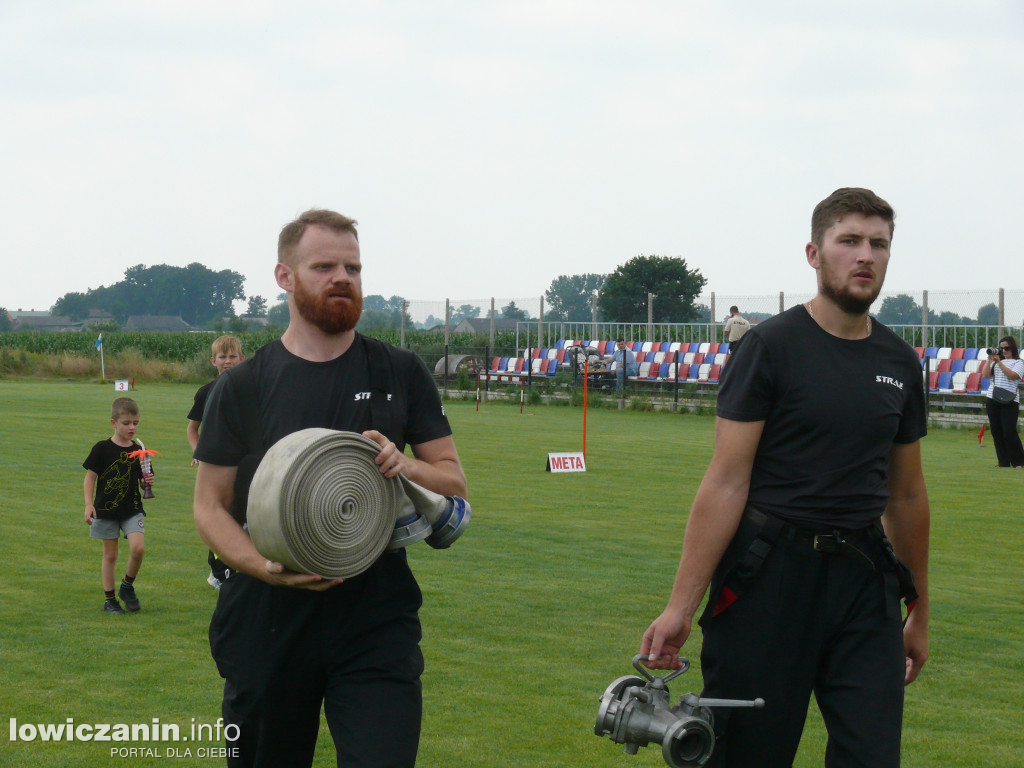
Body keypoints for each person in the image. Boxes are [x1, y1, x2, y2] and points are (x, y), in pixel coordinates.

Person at [640, 188, 930, 768]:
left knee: (873, 756)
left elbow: (906, 495)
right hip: (769, 581)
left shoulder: (900, 362)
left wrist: (919, 610)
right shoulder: (769, 348)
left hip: (864, 584)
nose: (865, 255)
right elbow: (725, 482)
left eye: (878, 244)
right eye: (848, 241)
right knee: (747, 755)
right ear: (814, 253)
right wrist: (679, 606)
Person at [193, 208, 467, 768]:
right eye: (324, 266)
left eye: (353, 267)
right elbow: (210, 507)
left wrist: (403, 465)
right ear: (285, 277)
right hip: (267, 623)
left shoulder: (399, 370)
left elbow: (453, 480)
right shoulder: (243, 385)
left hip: (375, 620)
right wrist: (261, 564)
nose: (343, 277)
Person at [83, 397, 155, 613]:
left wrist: (147, 482)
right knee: (111, 555)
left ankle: (126, 587)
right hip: (105, 509)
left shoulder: (140, 450)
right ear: (113, 423)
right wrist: (88, 505)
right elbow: (90, 478)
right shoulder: (102, 448)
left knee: (138, 548)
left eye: (136, 423)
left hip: (131, 508)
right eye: (126, 423)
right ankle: (110, 601)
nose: (132, 427)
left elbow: (144, 480)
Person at [187, 334, 244, 589]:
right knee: (219, 516)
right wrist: (199, 453)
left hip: (243, 464)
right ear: (213, 361)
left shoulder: (251, 390)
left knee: (242, 517)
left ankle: (234, 569)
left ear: (242, 359)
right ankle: (219, 572)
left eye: (233, 357)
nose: (228, 361)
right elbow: (192, 430)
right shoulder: (207, 392)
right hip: (216, 467)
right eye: (222, 357)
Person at [981, 336, 1024, 468]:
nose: (1004, 350)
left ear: (1013, 348)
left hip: (1010, 400)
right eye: (1002, 348)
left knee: (1009, 431)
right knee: (996, 431)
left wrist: (1000, 362)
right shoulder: (995, 361)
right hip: (993, 398)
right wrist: (989, 361)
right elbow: (986, 375)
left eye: (1007, 348)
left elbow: (1012, 376)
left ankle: (1019, 462)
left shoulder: (1019, 362)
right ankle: (1003, 462)